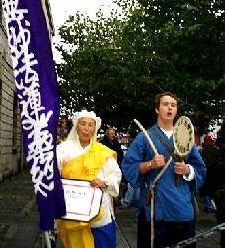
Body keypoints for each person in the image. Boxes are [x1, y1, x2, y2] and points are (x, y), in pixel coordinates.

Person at [122, 92, 206, 248]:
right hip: (154, 210)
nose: (170, 108)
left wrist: (188, 169)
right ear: (157, 109)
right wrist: (149, 164)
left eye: (173, 105)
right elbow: (128, 166)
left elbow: (200, 168)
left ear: (176, 110)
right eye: (165, 104)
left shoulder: (185, 137)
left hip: (182, 209)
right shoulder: (144, 137)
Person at [56, 110, 122, 248]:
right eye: (83, 124)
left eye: (91, 125)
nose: (87, 128)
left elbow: (115, 175)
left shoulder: (103, 151)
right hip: (72, 212)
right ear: (76, 126)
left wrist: (104, 183)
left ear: (95, 128)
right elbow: (52, 176)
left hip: (99, 212)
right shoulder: (62, 150)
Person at [199, 134, 218, 212]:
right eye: (212, 141)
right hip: (207, 174)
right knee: (208, 191)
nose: (213, 143)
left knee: (209, 191)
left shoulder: (215, 151)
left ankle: (210, 206)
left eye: (213, 141)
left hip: (212, 174)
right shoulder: (202, 151)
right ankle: (209, 206)